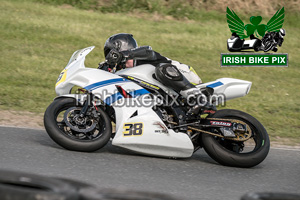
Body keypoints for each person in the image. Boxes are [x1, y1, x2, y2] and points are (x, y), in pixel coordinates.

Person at [98, 33, 210, 114]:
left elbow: (148, 52)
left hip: (187, 77)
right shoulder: (124, 72)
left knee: (161, 69)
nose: (110, 57)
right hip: (171, 94)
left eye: (111, 53)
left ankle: (197, 97)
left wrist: (126, 54)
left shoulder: (142, 55)